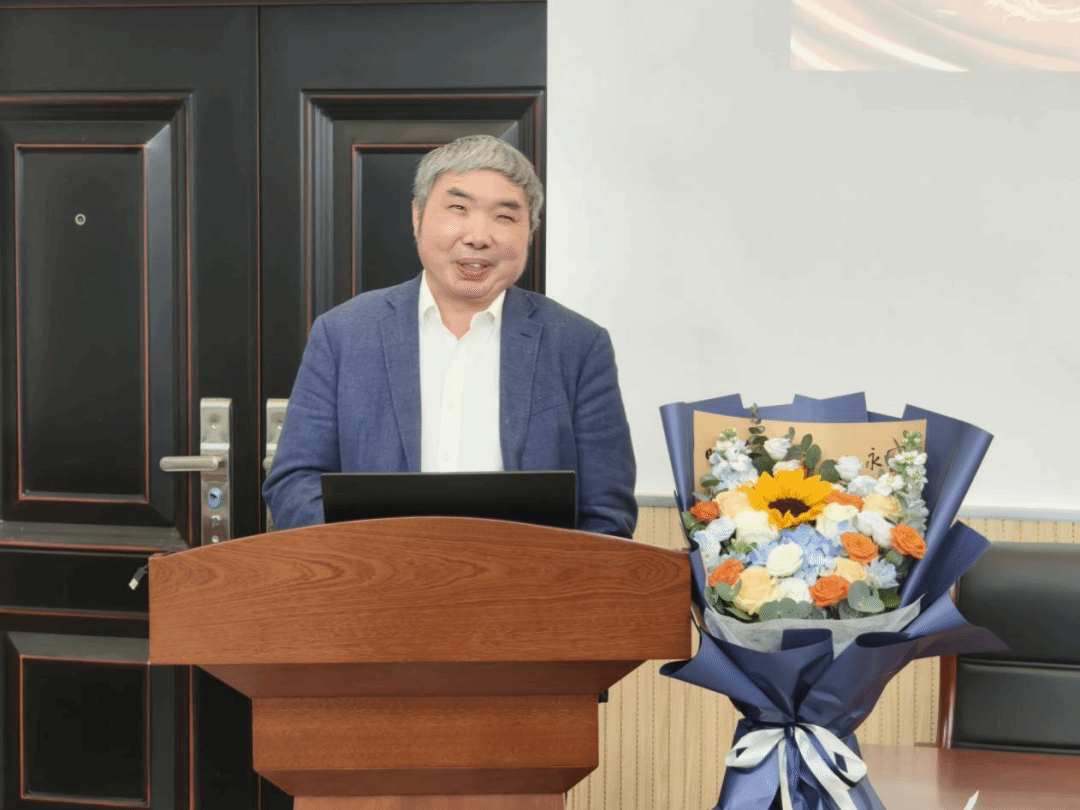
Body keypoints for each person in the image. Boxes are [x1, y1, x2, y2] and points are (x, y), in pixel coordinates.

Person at [262, 134, 636, 537]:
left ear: (529, 232)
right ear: (417, 215)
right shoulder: (342, 335)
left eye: (504, 216)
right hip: (374, 575)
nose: (479, 236)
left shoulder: (579, 346)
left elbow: (606, 513)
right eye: (459, 208)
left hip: (528, 577)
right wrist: (373, 560)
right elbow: (294, 484)